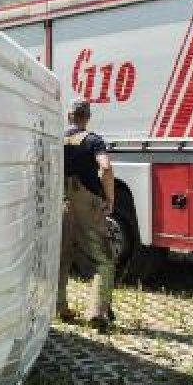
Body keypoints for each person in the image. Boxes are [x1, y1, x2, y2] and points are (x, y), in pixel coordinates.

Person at [56, 97, 115, 332]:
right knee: (104, 260)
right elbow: (106, 167)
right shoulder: (93, 140)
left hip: (63, 203)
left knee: (63, 257)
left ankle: (59, 307)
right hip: (87, 205)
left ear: (69, 116)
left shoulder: (58, 141)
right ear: (87, 118)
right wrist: (109, 197)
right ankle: (96, 312)